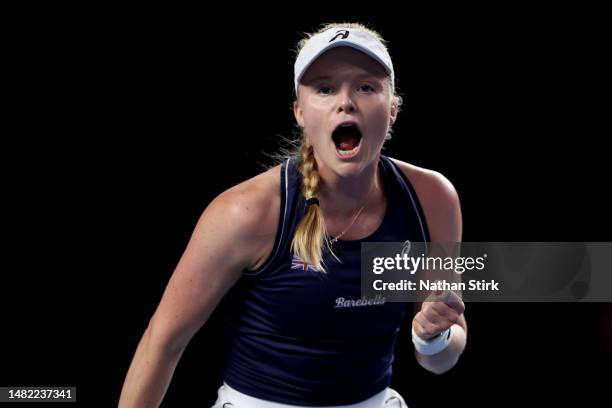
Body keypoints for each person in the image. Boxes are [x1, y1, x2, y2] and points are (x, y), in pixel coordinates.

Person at [118, 22, 467, 408]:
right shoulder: (248, 211)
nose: (346, 102)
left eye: (366, 87)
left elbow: (440, 360)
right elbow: (163, 342)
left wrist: (431, 336)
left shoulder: (432, 198)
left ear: (393, 110)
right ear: (300, 112)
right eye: (325, 88)